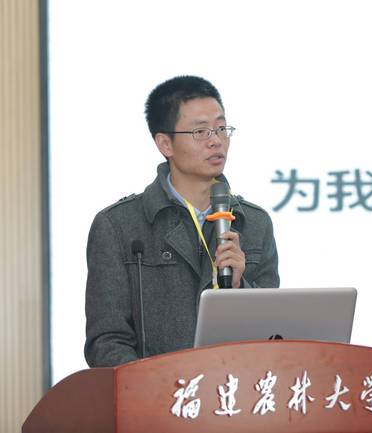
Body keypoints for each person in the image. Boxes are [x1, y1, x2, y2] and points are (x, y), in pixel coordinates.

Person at [84, 76, 279, 367]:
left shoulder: (255, 223)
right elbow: (106, 342)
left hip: (233, 389)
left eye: (221, 128)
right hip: (155, 393)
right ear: (165, 144)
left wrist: (241, 287)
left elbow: (273, 335)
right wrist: (156, 386)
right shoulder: (117, 226)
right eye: (200, 131)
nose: (216, 140)